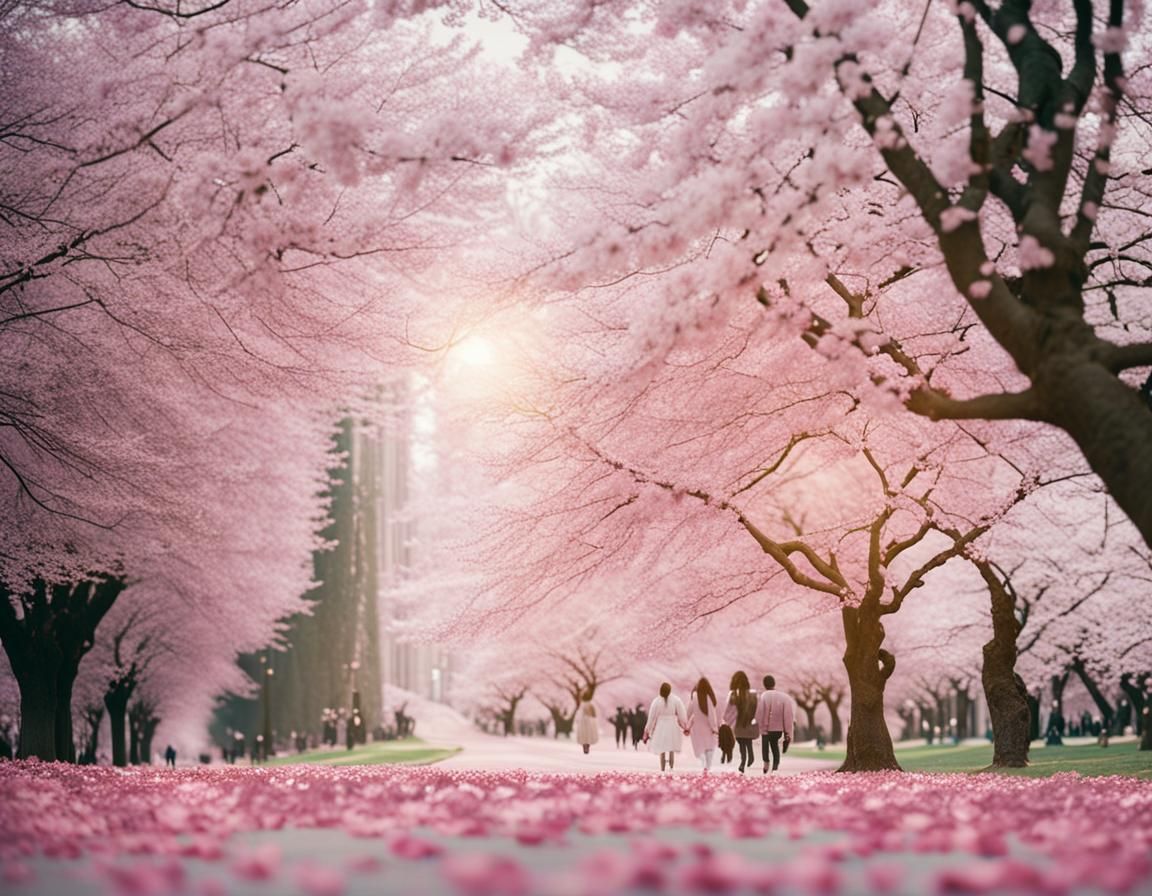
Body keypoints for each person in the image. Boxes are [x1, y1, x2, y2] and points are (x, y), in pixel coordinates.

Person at [756, 674, 796, 773]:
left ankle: (766, 763)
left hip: (766, 728)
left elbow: (760, 712)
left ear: (764, 684)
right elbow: (788, 716)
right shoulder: (785, 697)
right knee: (775, 746)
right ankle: (775, 766)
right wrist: (787, 731)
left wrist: (758, 723)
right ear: (774, 683)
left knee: (765, 746)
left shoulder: (764, 696)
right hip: (778, 729)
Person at [644, 682, 688, 772]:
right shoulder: (676, 700)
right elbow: (682, 714)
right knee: (671, 746)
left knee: (662, 747)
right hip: (672, 724)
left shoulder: (656, 701)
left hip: (661, 725)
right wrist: (685, 725)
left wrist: (647, 729)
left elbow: (651, 717)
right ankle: (671, 766)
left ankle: (662, 767)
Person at [723, 670, 758, 773]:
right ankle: (750, 755)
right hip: (749, 721)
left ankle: (743, 762)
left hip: (738, 723)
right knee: (748, 741)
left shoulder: (733, 694)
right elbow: (757, 708)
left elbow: (727, 711)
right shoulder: (753, 694)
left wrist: (726, 721)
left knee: (741, 743)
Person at [686, 677, 720, 772]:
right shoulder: (709, 698)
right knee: (710, 747)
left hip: (696, 727)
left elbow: (688, 712)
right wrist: (714, 727)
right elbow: (711, 715)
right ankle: (707, 766)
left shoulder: (694, 696)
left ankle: (703, 761)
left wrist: (686, 724)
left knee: (699, 746)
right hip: (707, 727)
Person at [575, 688, 600, 754]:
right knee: (589, 734)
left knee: (583, 734)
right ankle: (587, 746)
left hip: (582, 721)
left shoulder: (581, 705)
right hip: (589, 721)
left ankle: (584, 746)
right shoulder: (591, 705)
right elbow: (594, 714)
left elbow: (578, 713)